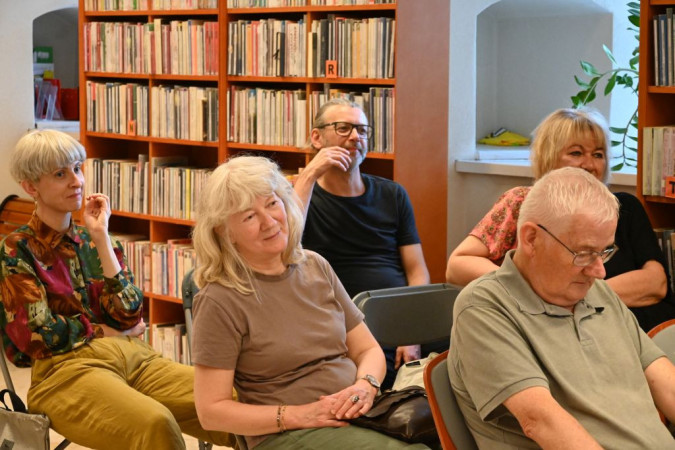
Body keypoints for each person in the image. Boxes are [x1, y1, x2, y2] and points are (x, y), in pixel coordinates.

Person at [0, 129, 233, 450]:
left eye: (78, 169)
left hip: (135, 358)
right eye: (60, 174)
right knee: (155, 423)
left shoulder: (94, 240)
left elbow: (130, 315)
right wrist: (105, 331)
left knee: (237, 400)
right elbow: (36, 336)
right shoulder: (16, 250)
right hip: (63, 373)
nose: (76, 181)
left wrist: (101, 237)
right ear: (31, 187)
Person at [190, 155, 428, 449]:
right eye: (249, 217)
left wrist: (366, 385)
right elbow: (211, 412)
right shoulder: (219, 300)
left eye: (272, 203)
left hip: (361, 414)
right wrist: (300, 415)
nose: (269, 222)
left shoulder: (315, 265)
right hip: (287, 433)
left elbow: (368, 349)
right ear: (224, 232)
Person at [450, 166, 675, 448]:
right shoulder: (485, 307)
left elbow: (666, 383)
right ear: (531, 238)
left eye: (605, 251)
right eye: (584, 253)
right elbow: (541, 422)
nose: (600, 271)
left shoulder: (598, 292)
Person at [446, 107, 675, 332]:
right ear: (549, 156)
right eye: (576, 153)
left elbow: (656, 283)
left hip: (635, 331)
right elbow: (457, 265)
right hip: (549, 331)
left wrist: (575, 296)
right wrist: (524, 288)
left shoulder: (624, 208)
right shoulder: (522, 203)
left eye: (598, 154)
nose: (589, 165)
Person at [294, 98, 433, 389]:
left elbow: (417, 270)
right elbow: (286, 246)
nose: (356, 137)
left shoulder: (392, 194)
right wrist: (309, 174)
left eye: (362, 130)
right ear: (316, 138)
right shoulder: (301, 198)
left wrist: (413, 332)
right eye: (343, 128)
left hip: (397, 320)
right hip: (339, 327)